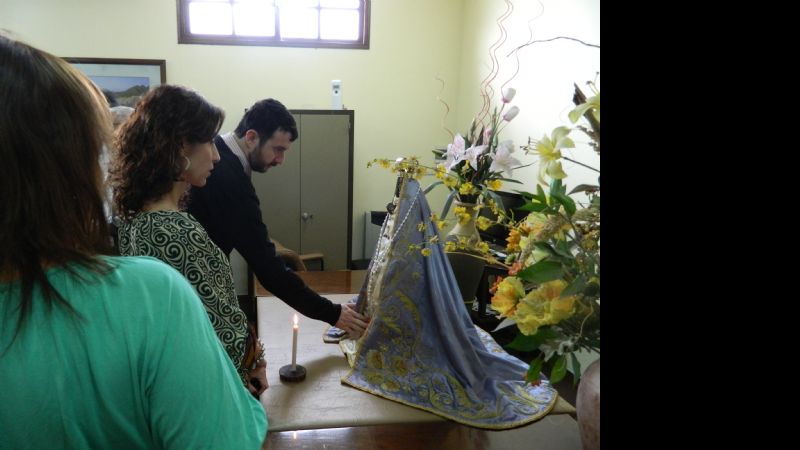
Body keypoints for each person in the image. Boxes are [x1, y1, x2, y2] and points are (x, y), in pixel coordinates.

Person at [0, 35, 266, 448]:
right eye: (95, 150)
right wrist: (247, 373)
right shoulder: (152, 287)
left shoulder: (135, 220)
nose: (216, 156)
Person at [110, 85, 268, 397]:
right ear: (181, 146)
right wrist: (255, 358)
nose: (216, 155)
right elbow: (220, 330)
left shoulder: (134, 217)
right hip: (206, 388)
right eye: (209, 141)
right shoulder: (174, 230)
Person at [188, 99, 369, 337]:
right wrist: (332, 313)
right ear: (251, 137)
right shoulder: (228, 176)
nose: (280, 160)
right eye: (278, 149)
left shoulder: (223, 155)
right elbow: (267, 267)